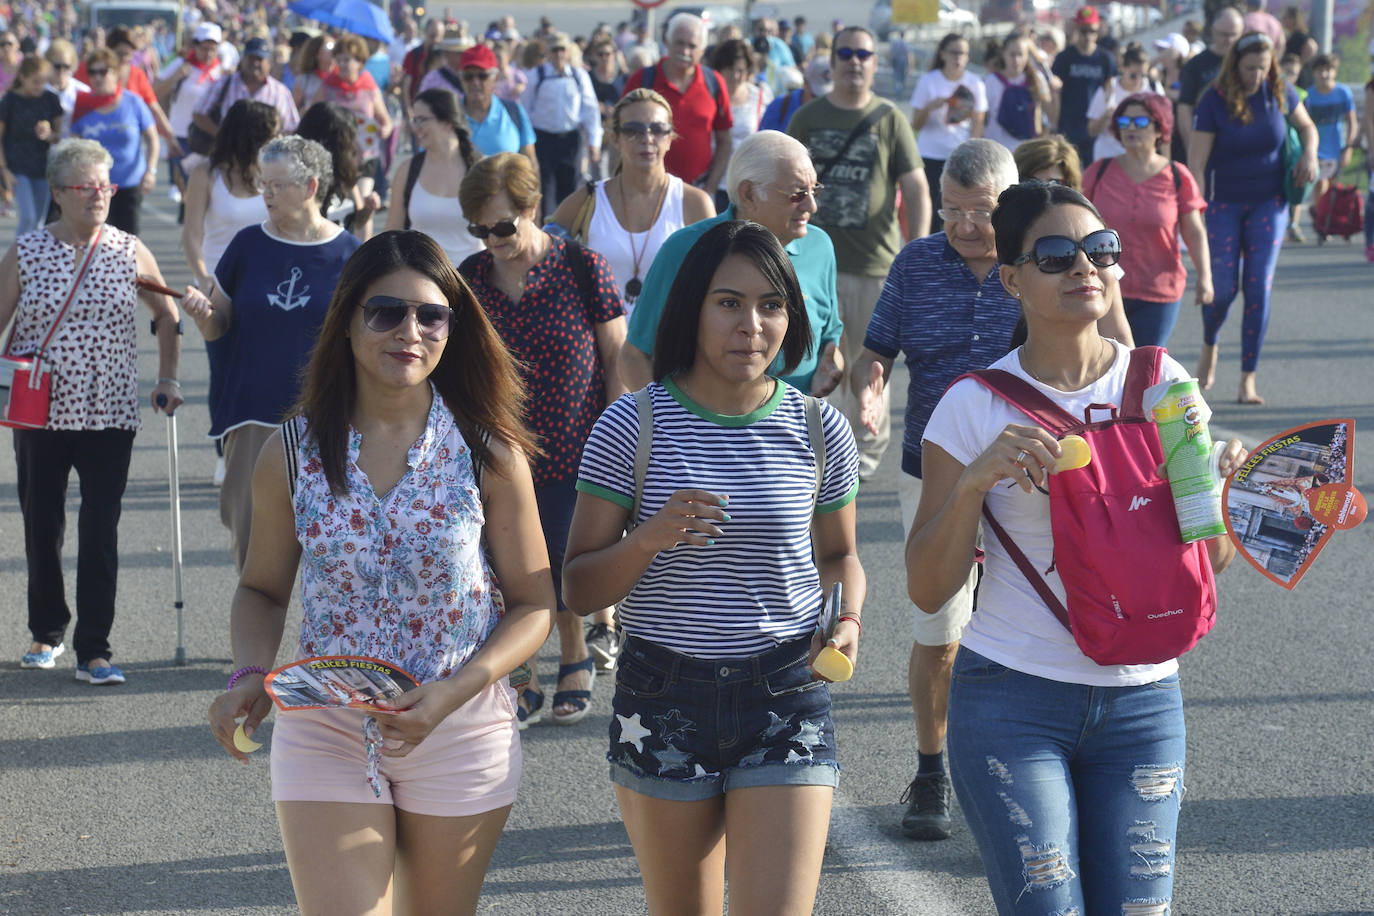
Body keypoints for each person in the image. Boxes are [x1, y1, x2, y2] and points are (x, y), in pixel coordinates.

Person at [910, 178, 1247, 916]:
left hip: (1145, 703)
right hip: (1012, 697)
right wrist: (973, 483)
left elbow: (1209, 563)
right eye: (1057, 255)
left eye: (1100, 250)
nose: (1084, 268)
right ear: (1012, 280)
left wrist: (1215, 493)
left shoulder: (1166, 386)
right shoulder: (973, 404)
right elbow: (929, 588)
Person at [204, 230, 556, 916]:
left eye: (431, 315)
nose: (410, 331)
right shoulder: (291, 451)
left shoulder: (490, 453)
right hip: (325, 725)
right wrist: (250, 674)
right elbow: (261, 588)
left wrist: (455, 692)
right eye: (385, 312)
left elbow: (535, 602)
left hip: (458, 725)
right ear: (347, 321)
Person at [562, 219, 864, 916]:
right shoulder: (631, 426)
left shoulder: (820, 428)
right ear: (691, 306)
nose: (751, 325)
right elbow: (578, 588)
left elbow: (841, 554)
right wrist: (648, 539)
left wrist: (846, 617)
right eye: (728, 302)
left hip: (786, 690)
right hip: (663, 692)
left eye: (771, 305)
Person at [847, 139, 1022, 841]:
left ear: (1007, 206)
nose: (963, 226)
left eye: (978, 213)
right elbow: (876, 352)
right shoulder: (918, 262)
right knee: (939, 626)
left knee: (1027, 628)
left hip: (1029, 476)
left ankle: (1012, 773)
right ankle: (930, 769)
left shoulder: (1038, 261)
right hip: (934, 468)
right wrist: (869, 391)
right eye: (951, 210)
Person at [1, 138, 185, 683]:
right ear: (58, 194)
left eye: (106, 185)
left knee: (100, 528)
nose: (99, 195)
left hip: (110, 412)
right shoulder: (28, 252)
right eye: (86, 187)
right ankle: (46, 630)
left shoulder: (129, 250)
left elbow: (167, 313)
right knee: (42, 524)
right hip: (42, 413)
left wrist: (169, 376)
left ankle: (94, 650)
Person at [457, 152, 627, 726]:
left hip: (576, 443)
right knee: (501, 563)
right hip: (498, 448)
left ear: (532, 209)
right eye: (478, 230)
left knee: (561, 561)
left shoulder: (583, 267)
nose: (491, 240)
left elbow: (615, 358)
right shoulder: (470, 279)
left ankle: (575, 652)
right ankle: (523, 670)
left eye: (502, 226)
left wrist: (621, 440)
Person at [180, 135, 362, 570]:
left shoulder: (351, 254)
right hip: (253, 418)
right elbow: (218, 326)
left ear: (311, 188)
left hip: (330, 421)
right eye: (263, 183)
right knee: (253, 556)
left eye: (277, 185)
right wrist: (202, 315)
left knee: (337, 559)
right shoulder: (247, 245)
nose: (266, 193)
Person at [787, 25, 929, 480]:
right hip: (811, 267)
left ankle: (864, 457)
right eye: (844, 52)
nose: (853, 61)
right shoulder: (808, 116)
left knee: (869, 368)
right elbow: (784, 179)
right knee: (814, 363)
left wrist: (917, 252)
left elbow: (916, 187)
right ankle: (816, 452)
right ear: (831, 60)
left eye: (862, 54)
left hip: (875, 266)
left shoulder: (890, 118)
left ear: (874, 62)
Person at [620, 129, 844, 402]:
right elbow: (634, 357)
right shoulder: (686, 249)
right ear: (748, 194)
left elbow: (830, 333)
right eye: (797, 194)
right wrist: (670, 426)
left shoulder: (819, 247)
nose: (811, 206)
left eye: (814, 190)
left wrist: (829, 363)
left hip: (792, 432)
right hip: (701, 431)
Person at [1188, 31, 1317, 405]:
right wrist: (1194, 212)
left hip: (1270, 203)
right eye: (1249, 68)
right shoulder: (1214, 99)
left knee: (1258, 288)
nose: (1256, 75)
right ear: (1234, 65)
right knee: (1224, 289)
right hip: (1223, 204)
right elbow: (1196, 163)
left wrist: (1310, 152)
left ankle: (1247, 379)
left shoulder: (1280, 90)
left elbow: (1307, 126)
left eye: (1263, 67)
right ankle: (1210, 342)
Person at [548, 88, 713, 316]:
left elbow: (714, 283)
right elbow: (540, 259)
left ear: (670, 138)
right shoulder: (588, 199)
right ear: (615, 138)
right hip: (600, 345)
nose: (647, 138)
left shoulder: (695, 203)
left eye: (657, 129)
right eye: (634, 130)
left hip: (667, 345)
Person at [1084, 93, 1211, 349]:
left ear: (1159, 127)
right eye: (1124, 122)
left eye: (1140, 122)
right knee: (1104, 367)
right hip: (1103, 286)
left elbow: (1194, 232)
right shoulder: (1098, 171)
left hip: (1159, 293)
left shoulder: (1178, 176)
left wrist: (1205, 277)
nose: (1131, 128)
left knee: (1144, 367)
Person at [1012, 134, 1135, 347]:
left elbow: (1116, 331)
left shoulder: (1095, 249)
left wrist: (1136, 378)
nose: (1043, 193)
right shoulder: (999, 242)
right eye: (1031, 183)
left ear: (1071, 188)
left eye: (1054, 184)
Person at [622, 13, 734, 194]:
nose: (685, 51)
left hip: (698, 190)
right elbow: (620, 134)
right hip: (646, 191)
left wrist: (711, 186)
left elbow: (725, 141)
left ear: (703, 50)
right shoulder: (643, 80)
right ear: (667, 41)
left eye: (692, 46)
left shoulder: (714, 83)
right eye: (679, 43)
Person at [181, 99, 277, 294]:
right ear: (255, 137)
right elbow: (191, 235)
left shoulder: (275, 174)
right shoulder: (205, 174)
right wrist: (202, 277)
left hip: (268, 281)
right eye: (273, 135)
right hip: (218, 282)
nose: (279, 140)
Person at [386, 88, 484, 268]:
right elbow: (391, 237)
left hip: (473, 282)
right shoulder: (407, 171)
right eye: (414, 120)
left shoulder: (481, 169)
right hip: (421, 283)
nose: (416, 128)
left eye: (422, 120)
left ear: (447, 122)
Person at [69, 48, 158, 235]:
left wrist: (150, 171)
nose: (97, 77)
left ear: (115, 73)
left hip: (129, 184)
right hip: (94, 189)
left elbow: (153, 138)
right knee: (96, 241)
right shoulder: (83, 106)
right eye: (92, 72)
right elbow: (74, 147)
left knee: (127, 242)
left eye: (103, 71)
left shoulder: (133, 102)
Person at [911, 33, 987, 233]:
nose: (958, 58)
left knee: (957, 211)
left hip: (960, 158)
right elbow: (916, 125)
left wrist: (973, 155)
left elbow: (978, 123)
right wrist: (929, 107)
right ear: (943, 54)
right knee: (933, 211)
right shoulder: (928, 81)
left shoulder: (975, 83)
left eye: (963, 53)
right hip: (930, 155)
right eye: (954, 52)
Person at [521, 32, 602, 219]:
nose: (558, 54)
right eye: (554, 50)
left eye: (562, 49)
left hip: (570, 141)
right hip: (544, 140)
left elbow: (590, 110)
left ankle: (568, 236)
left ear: (567, 52)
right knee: (545, 191)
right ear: (547, 53)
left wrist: (594, 142)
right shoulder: (536, 75)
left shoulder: (578, 76)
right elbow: (525, 109)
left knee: (570, 192)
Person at [306, 35, 393, 191]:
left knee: (364, 202)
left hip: (364, 156)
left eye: (347, 60)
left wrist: (383, 131)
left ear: (360, 62)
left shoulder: (369, 87)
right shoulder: (328, 86)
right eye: (338, 60)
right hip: (334, 157)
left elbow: (386, 121)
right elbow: (312, 116)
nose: (342, 64)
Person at [154, 22, 224, 194]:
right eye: (204, 48)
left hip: (210, 136)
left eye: (212, 48)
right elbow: (154, 92)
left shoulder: (221, 72)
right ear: (196, 46)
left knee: (207, 185)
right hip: (182, 135)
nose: (208, 53)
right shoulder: (180, 64)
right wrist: (176, 77)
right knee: (189, 183)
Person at [296, 101, 379, 241]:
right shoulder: (298, 178)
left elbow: (357, 220)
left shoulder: (344, 172)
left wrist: (368, 210)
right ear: (332, 142)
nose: (354, 145)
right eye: (349, 139)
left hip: (343, 258)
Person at [0, 57, 63, 238]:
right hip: (16, 166)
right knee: (28, 217)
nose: (40, 86)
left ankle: (34, 261)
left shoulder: (50, 99)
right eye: (35, 82)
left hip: (43, 167)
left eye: (43, 81)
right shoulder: (10, 100)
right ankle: (16, 259)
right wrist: (4, 170)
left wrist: (49, 134)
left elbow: (58, 137)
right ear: (23, 77)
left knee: (39, 221)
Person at [193, 37, 300, 140]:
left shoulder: (280, 92)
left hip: (266, 156)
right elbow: (199, 114)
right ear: (243, 59)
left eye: (259, 59)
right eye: (251, 58)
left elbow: (292, 127)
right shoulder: (224, 83)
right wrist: (222, 136)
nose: (255, 63)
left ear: (269, 63)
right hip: (229, 153)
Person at [710, 39, 772, 212]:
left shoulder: (759, 96)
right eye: (730, 70)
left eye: (741, 71)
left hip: (745, 185)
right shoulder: (708, 96)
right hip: (712, 183)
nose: (736, 77)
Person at [1051, 6, 1116, 169]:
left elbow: (1112, 90)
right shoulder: (1064, 57)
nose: (1087, 35)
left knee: (1093, 175)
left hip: (1095, 127)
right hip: (1069, 127)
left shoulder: (1105, 58)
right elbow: (1055, 93)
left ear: (1098, 30)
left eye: (1091, 31)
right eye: (1083, 30)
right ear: (1076, 29)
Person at [455, 45, 537, 167]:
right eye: (468, 76)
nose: (475, 82)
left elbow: (530, 161)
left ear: (496, 78)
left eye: (482, 76)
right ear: (461, 79)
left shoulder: (513, 112)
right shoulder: (449, 116)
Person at [1176, 7, 1243, 150]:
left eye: (1234, 35)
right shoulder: (1196, 65)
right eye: (1224, 35)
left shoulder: (1247, 62)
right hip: (1208, 141)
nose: (1229, 40)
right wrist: (1192, 149)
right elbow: (1185, 107)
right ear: (1213, 30)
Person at [1084, 43, 1164, 162]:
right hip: (1108, 157)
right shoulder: (1108, 88)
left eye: (1143, 75)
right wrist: (1106, 115)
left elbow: (1164, 129)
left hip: (1142, 161)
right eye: (1133, 75)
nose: (1139, 80)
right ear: (1122, 69)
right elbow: (1091, 131)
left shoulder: (1154, 88)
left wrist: (1166, 163)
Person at [1302, 54, 1356, 228]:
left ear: (1335, 71)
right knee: (1321, 182)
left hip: (1336, 147)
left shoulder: (1343, 92)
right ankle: (1322, 218)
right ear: (1314, 73)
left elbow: (1352, 121)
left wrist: (1348, 147)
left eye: (1328, 70)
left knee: (1330, 185)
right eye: (1320, 71)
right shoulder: (1309, 95)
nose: (1324, 74)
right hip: (1316, 148)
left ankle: (1323, 215)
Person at [982, 32, 1050, 153]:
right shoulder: (991, 82)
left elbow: (1048, 114)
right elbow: (982, 119)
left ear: (1027, 56)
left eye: (1020, 54)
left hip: (1027, 153)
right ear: (1003, 54)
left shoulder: (1037, 78)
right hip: (997, 152)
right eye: (1012, 55)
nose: (1016, 60)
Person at [585, 38, 626, 179]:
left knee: (615, 167)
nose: (604, 58)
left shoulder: (622, 78)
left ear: (614, 55)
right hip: (595, 127)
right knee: (595, 167)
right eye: (600, 54)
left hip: (616, 127)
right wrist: (597, 107)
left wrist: (616, 110)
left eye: (608, 54)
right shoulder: (588, 77)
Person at [45, 39, 89, 137]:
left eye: (66, 66)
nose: (61, 70)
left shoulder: (83, 91)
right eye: (57, 66)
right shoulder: (39, 90)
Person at [290, 34, 334, 110]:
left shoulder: (342, 80)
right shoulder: (304, 80)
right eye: (329, 47)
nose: (334, 51)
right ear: (316, 53)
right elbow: (293, 109)